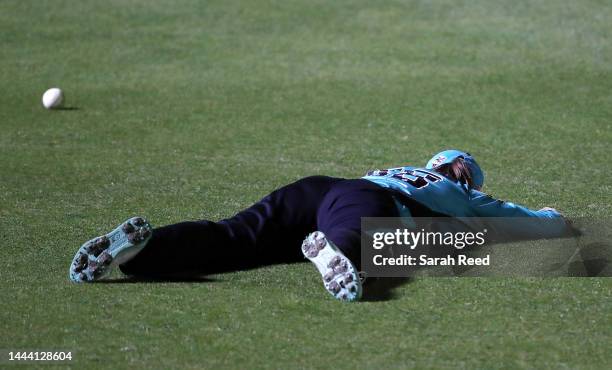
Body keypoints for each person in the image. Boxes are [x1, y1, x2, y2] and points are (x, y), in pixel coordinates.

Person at [69, 150, 569, 301]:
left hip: (321, 188)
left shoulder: (400, 167)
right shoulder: (465, 193)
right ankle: (337, 254)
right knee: (407, 240)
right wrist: (556, 220)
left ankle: (143, 250)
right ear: (463, 174)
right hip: (362, 203)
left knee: (233, 237)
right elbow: (532, 223)